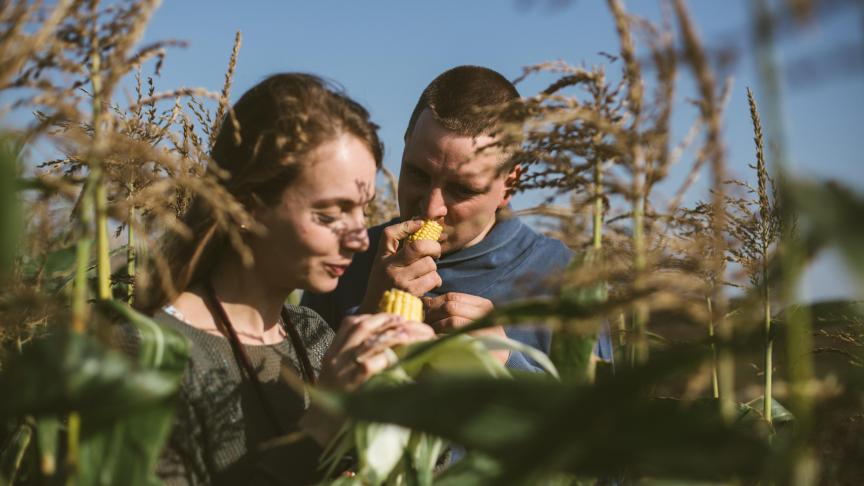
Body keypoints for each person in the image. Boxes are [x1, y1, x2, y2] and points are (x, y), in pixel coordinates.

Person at [130, 73, 434, 485]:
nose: (361, 240)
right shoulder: (148, 358)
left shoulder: (313, 336)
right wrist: (319, 430)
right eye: (328, 215)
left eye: (362, 210)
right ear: (247, 206)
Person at [303, 65, 613, 372]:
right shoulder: (343, 260)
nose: (430, 208)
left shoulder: (565, 280)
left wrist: (506, 362)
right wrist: (369, 315)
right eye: (418, 174)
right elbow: (301, 405)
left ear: (510, 185)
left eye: (461, 189)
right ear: (406, 146)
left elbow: (597, 418)